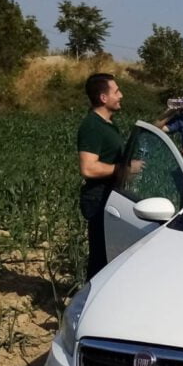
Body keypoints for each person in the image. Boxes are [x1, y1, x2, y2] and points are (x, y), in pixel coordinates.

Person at [77, 73, 126, 280]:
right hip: (99, 199)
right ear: (103, 98)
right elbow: (88, 168)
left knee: (108, 256)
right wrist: (122, 170)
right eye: (116, 91)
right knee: (100, 260)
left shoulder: (107, 124)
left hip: (109, 197)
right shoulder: (92, 126)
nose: (121, 95)